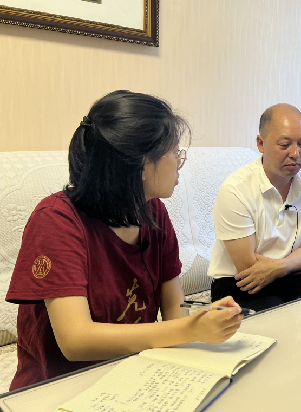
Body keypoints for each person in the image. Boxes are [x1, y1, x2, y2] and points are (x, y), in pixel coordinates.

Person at [6, 91, 244, 390]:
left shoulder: (154, 212)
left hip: (134, 374)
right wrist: (190, 329)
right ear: (143, 164)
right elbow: (75, 341)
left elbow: (175, 309)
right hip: (59, 387)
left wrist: (197, 327)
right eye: (175, 153)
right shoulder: (56, 220)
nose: (180, 163)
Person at [209, 103, 301, 311]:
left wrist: (283, 267)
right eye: (284, 145)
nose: (295, 153)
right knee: (276, 315)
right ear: (261, 143)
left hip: (287, 276)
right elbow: (250, 269)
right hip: (238, 282)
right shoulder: (235, 189)